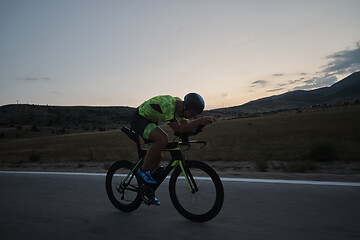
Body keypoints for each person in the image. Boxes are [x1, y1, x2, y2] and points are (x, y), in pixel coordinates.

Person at [130, 93, 213, 205]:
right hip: (139, 119)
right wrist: (198, 121)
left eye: (195, 115)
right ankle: (143, 171)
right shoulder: (169, 104)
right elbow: (177, 128)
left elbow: (184, 130)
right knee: (163, 139)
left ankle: (147, 190)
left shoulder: (182, 111)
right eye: (192, 113)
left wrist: (193, 132)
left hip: (150, 122)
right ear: (185, 107)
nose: (192, 116)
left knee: (157, 156)